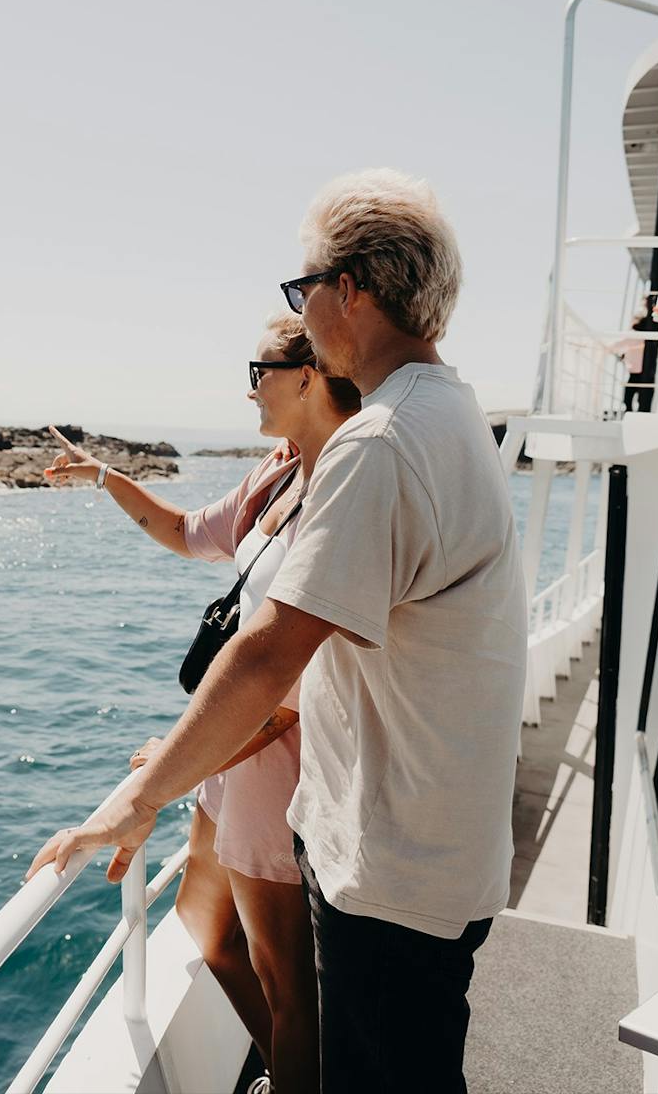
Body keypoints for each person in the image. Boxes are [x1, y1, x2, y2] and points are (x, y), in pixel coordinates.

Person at [29, 169, 527, 1094]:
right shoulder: (453, 412)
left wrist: (132, 805)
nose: (301, 310)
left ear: (353, 290)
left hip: (392, 867)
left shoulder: (379, 443)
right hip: (441, 854)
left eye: (302, 290)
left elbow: (268, 654)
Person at [44, 312, 360, 1093]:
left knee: (287, 980)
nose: (249, 387)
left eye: (258, 371)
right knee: (206, 927)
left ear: (308, 375)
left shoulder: (346, 492)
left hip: (276, 766)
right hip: (227, 750)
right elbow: (184, 530)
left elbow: (289, 695)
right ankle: (299, 1075)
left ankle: (298, 1081)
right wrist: (105, 477)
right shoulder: (278, 474)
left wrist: (181, 761)